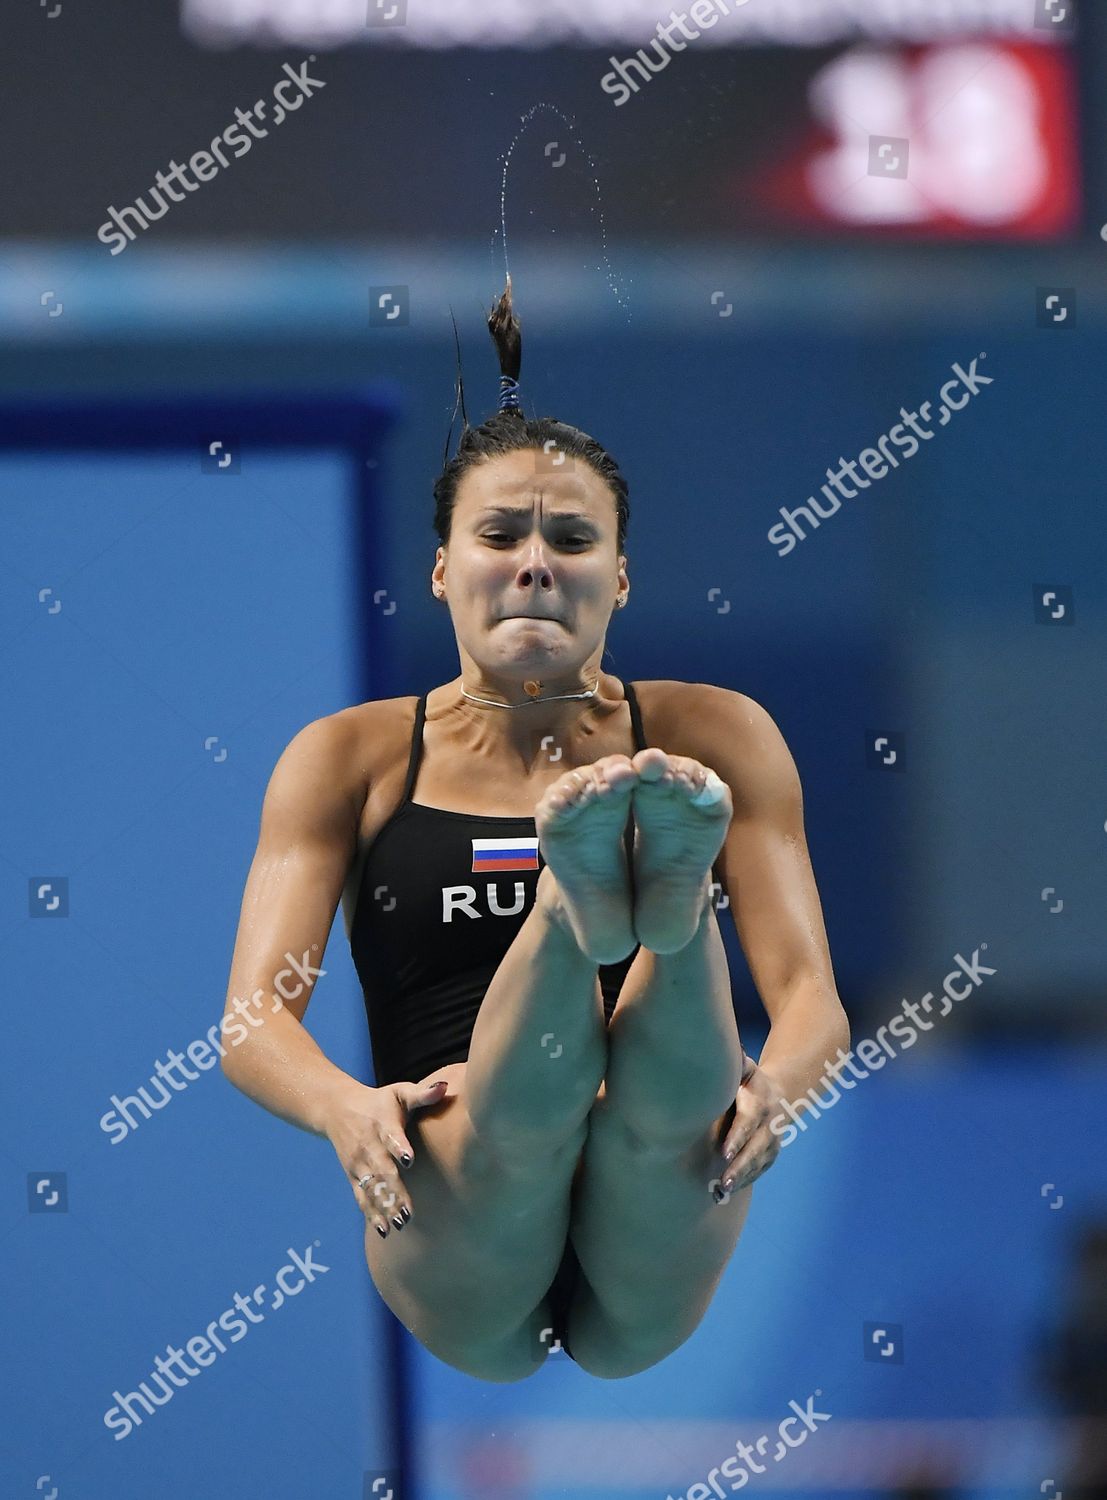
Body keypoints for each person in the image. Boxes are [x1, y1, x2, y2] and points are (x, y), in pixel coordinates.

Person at [220, 277, 849, 1382]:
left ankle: (652, 905)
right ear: (440, 570)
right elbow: (251, 1023)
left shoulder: (718, 734)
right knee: (519, 1125)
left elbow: (810, 1004)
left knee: (657, 1124)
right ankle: (588, 898)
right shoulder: (351, 760)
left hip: (662, 1163)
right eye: (500, 533)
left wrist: (776, 1094)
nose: (534, 562)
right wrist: (345, 1109)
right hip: (458, 1178)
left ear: (619, 575)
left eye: (571, 537)